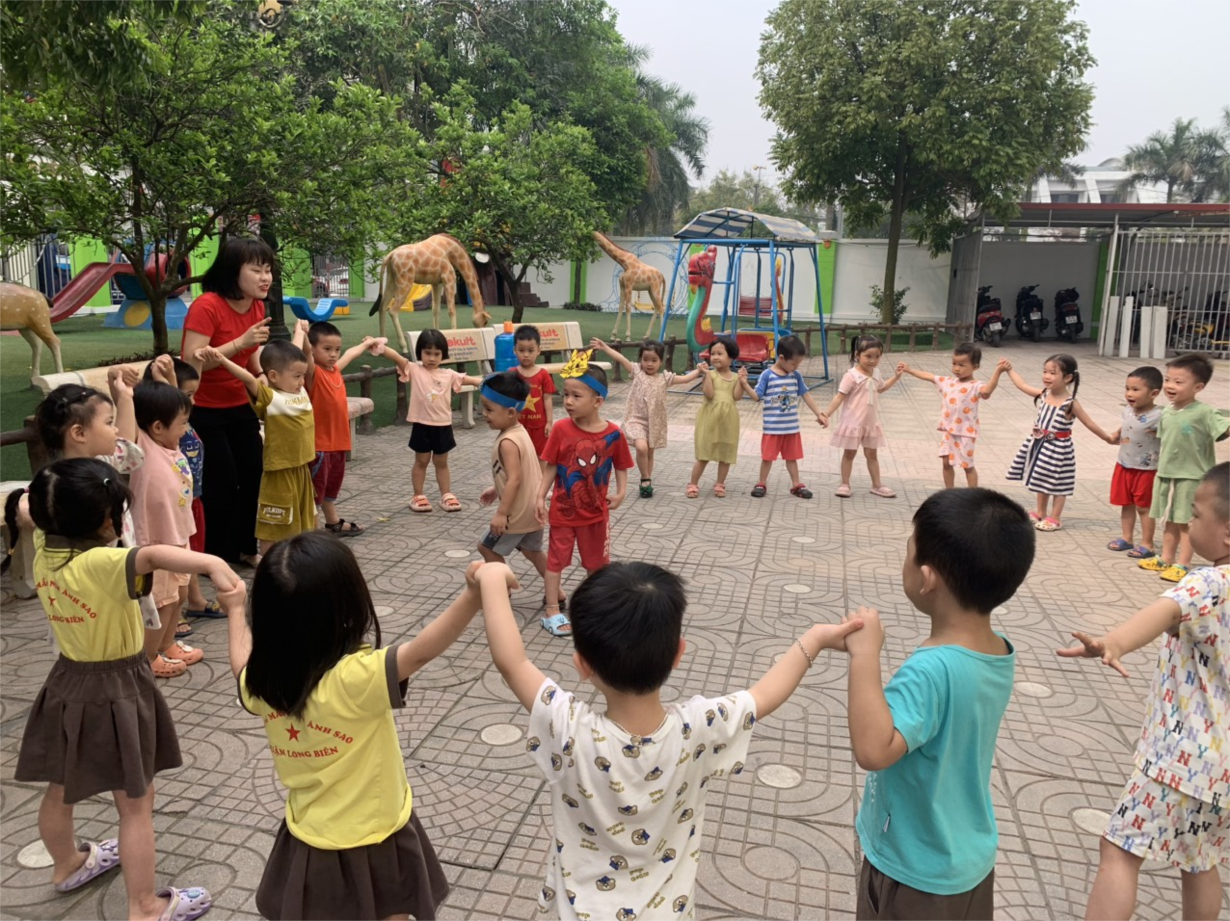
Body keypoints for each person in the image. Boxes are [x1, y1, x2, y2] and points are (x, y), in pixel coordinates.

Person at [474, 559, 864, 921]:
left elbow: (512, 662)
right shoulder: (700, 726)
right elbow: (764, 695)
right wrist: (814, 639)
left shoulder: (568, 727)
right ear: (679, 653)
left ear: (582, 665)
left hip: (580, 911)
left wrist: (492, 578)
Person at [5, 457, 242, 921]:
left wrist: (49, 492)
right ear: (104, 521)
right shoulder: (104, 563)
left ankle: (67, 865)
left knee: (60, 785)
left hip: (67, 681)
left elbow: (31, 505)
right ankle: (145, 906)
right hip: (116, 687)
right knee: (135, 805)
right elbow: (151, 557)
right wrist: (212, 561)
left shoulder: (45, 545)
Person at [228, 533, 462, 921]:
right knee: (393, 911)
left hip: (311, 838)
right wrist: (474, 594)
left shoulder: (264, 680)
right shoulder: (354, 677)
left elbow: (241, 662)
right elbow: (422, 651)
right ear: (347, 606)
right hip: (379, 833)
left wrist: (235, 610)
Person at [842, 488, 1036, 920]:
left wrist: (864, 655)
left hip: (915, 870)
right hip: (967, 858)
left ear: (927, 578)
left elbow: (874, 749)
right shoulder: (997, 649)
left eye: (908, 551)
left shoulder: (930, 670)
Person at [1058, 462, 1230, 921]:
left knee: (1119, 849)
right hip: (1224, 770)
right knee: (1200, 860)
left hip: (1181, 759)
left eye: (1196, 513)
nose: (1188, 521)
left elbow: (1165, 611)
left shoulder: (1209, 582)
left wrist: (1113, 642)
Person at [30, 371, 168, 671]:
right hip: (84, 585)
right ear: (79, 433)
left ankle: (130, 671)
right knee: (97, 639)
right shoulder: (58, 486)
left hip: (115, 570)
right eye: (108, 422)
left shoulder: (100, 463)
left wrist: (125, 397)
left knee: (124, 629)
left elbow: (125, 445)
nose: (115, 429)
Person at [181, 237, 273, 566]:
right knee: (221, 481)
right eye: (256, 270)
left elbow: (252, 354)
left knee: (253, 473)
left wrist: (259, 374)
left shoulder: (256, 306)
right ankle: (215, 555)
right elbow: (191, 362)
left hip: (238, 403)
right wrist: (239, 342)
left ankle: (247, 548)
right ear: (233, 271)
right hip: (204, 409)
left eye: (268, 270)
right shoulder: (207, 306)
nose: (265, 277)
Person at [196, 322, 316, 556]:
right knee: (274, 522)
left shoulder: (298, 390)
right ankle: (268, 562)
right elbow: (249, 379)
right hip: (279, 471)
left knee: (307, 516)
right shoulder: (270, 397)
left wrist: (300, 332)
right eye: (297, 376)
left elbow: (292, 356)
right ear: (273, 376)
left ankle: (306, 558)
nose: (302, 381)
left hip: (301, 468)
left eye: (302, 375)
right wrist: (222, 359)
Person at [536, 353, 634, 638]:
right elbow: (550, 465)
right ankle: (552, 610)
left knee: (597, 566)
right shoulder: (561, 429)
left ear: (598, 401)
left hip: (596, 515)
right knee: (555, 562)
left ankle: (595, 607)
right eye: (565, 394)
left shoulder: (614, 434)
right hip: (563, 514)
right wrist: (540, 496)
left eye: (576, 396)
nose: (568, 401)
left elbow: (621, 465)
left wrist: (621, 492)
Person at [130, 378, 203, 674]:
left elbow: (173, 405)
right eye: (182, 424)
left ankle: (167, 643)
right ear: (157, 427)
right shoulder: (143, 449)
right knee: (161, 602)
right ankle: (148, 658)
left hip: (179, 535)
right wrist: (122, 391)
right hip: (155, 544)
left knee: (180, 595)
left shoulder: (170, 445)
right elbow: (133, 420)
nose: (185, 429)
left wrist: (168, 376)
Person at [1136, 353, 1230, 582]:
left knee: (1187, 522)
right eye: (1168, 379)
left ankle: (1183, 563)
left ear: (1198, 387)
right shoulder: (1167, 411)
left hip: (1192, 476)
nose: (1170, 386)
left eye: (1178, 382)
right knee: (1169, 519)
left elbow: (1224, 429)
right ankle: (1166, 558)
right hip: (1167, 474)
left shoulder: (1205, 412)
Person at [1002, 354, 1115, 532]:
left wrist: (1108, 438)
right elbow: (1022, 385)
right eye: (1045, 371)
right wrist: (1009, 370)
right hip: (1039, 444)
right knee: (1041, 478)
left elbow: (1089, 423)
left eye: (1053, 373)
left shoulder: (1071, 404)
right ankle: (1040, 512)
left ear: (1068, 378)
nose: (1047, 376)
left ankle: (1055, 517)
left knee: (1058, 482)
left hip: (1058, 449)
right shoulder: (1044, 394)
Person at [142, 358, 217, 622]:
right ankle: (171, 621)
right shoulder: (155, 441)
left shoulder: (179, 425)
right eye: (187, 395)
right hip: (167, 518)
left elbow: (177, 405)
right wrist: (162, 377)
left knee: (187, 564)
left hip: (190, 503)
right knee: (170, 580)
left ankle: (190, 604)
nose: (191, 403)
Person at [589, 337, 705, 498]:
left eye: (654, 360)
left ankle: (647, 481)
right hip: (635, 418)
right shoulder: (637, 372)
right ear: (640, 360)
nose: (649, 364)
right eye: (645, 359)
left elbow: (686, 379)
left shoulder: (664, 378)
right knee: (642, 448)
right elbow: (621, 358)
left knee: (650, 452)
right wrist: (605, 347)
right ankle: (645, 478)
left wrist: (699, 370)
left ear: (661, 362)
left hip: (654, 421)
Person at [304, 321, 382, 536]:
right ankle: (312, 536)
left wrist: (366, 344)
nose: (333, 354)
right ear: (312, 349)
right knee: (314, 494)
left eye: (336, 349)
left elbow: (350, 354)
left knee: (331, 488)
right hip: (320, 447)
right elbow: (305, 354)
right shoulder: (313, 373)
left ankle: (333, 523)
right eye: (327, 349)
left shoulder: (335, 370)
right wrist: (302, 334)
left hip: (338, 444)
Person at [477, 370, 550, 595]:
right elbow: (520, 473)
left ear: (510, 412)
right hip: (533, 509)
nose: (484, 414)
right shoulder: (520, 431)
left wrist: (501, 513)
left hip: (516, 513)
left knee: (486, 547)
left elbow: (515, 479)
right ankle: (557, 592)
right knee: (532, 551)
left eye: (489, 409)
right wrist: (496, 488)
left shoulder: (507, 441)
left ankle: (504, 589)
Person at [896, 342, 1006, 489]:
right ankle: (949, 493)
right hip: (948, 430)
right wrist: (909, 370)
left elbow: (987, 391)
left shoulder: (976, 386)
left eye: (962, 365)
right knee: (946, 463)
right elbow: (929, 376)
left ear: (975, 366)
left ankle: (973, 496)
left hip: (966, 432)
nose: (956, 368)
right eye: (954, 363)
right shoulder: (948, 382)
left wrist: (998, 371)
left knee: (967, 466)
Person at [397, 328, 483, 513]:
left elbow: (468, 379)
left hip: (443, 426)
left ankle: (446, 494)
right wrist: (378, 346)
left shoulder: (448, 374)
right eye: (427, 353)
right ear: (419, 352)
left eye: (437, 354)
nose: (432, 358)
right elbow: (397, 358)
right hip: (421, 424)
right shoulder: (414, 369)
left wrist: (483, 382)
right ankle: (418, 495)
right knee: (421, 461)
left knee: (441, 462)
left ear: (443, 354)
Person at [821, 334, 905, 499]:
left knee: (872, 455)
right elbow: (839, 396)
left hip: (870, 424)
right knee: (849, 454)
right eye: (868, 356)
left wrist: (896, 376)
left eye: (877, 356)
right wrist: (827, 413)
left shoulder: (876, 373)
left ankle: (877, 485)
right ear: (857, 355)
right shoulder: (851, 376)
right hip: (853, 423)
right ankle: (845, 484)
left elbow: (881, 388)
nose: (873, 360)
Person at [748, 335, 827, 499]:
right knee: (767, 458)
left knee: (792, 457)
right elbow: (756, 396)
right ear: (782, 358)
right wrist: (743, 384)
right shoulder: (767, 375)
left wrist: (819, 413)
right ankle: (761, 482)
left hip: (791, 428)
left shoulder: (795, 375)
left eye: (798, 364)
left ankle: (796, 484)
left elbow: (806, 395)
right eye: (794, 363)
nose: (796, 367)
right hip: (772, 429)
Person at [1105, 366, 1164, 559]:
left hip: (1146, 469)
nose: (1129, 394)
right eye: (1127, 388)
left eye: (1135, 390)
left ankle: (1147, 544)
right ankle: (1126, 538)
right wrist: (1116, 433)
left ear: (1154, 393)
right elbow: (1126, 425)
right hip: (1124, 465)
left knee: (1144, 507)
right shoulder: (1128, 411)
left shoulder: (1159, 417)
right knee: (1126, 503)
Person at [688, 337, 755, 498]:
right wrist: (707, 376)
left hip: (728, 421)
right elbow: (709, 394)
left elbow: (737, 397)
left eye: (720, 354)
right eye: (713, 354)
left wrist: (742, 381)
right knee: (704, 453)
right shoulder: (710, 374)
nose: (715, 357)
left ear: (731, 357)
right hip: (709, 419)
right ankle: (693, 483)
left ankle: (720, 483)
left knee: (726, 454)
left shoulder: (735, 377)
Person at [512, 325, 557, 457]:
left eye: (530, 350)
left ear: (538, 351)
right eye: (521, 350)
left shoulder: (543, 375)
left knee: (540, 456)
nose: (526, 355)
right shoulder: (512, 374)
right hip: (517, 426)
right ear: (515, 350)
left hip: (539, 426)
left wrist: (549, 422)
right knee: (519, 455)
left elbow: (547, 399)